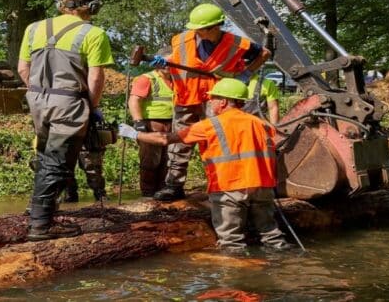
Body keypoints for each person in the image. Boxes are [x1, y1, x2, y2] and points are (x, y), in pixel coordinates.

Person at [118, 78, 292, 253]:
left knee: (231, 242)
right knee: (272, 235)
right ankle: (284, 262)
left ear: (223, 101)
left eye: (213, 98)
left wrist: (134, 134)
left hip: (229, 188)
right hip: (263, 187)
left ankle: (238, 277)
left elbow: (164, 139)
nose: (210, 101)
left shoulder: (210, 125)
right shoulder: (261, 123)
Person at [17, 0, 112, 241]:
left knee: (44, 155)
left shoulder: (34, 28)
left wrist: (39, 93)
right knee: (58, 162)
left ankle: (39, 209)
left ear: (62, 3)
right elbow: (95, 79)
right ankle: (41, 225)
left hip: (37, 99)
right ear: (91, 6)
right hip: (69, 102)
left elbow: (23, 69)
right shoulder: (93, 34)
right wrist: (91, 107)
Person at [150, 3, 271, 201]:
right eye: (194, 28)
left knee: (218, 141)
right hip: (186, 96)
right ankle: (173, 185)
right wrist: (163, 61)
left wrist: (245, 74)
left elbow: (265, 53)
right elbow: (177, 58)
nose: (196, 32)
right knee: (180, 140)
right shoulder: (182, 39)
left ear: (216, 27)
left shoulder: (237, 44)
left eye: (200, 29)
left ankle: (223, 184)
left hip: (216, 100)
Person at [128, 48, 174, 197]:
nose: (168, 66)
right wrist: (138, 121)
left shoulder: (177, 80)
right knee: (150, 162)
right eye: (166, 62)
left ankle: (163, 191)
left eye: (172, 62)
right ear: (157, 63)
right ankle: (148, 193)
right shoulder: (147, 79)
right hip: (152, 125)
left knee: (169, 161)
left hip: (172, 125)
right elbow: (134, 100)